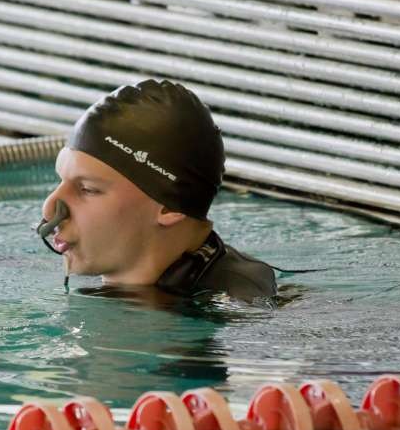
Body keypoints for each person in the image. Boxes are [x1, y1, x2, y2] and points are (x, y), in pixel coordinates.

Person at [38, 79, 277, 302]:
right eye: (61, 180)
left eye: (87, 189)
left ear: (169, 207)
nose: (50, 209)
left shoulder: (234, 309)